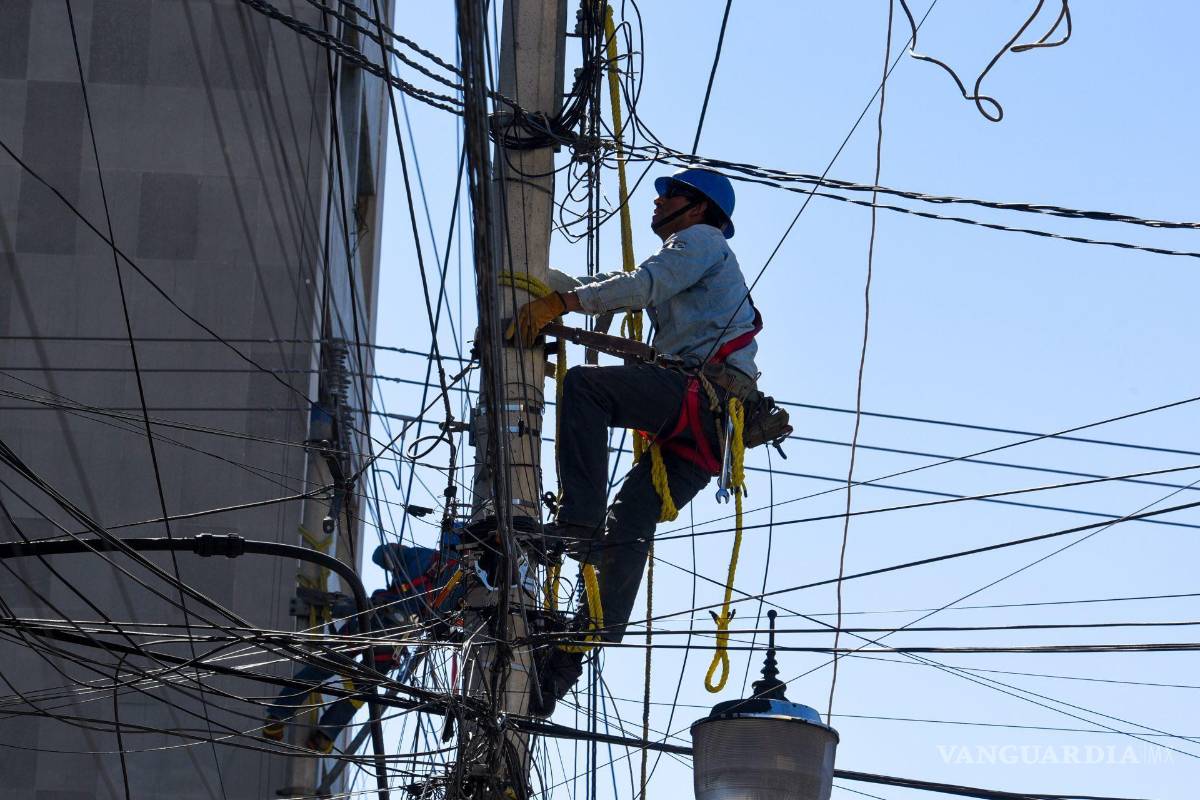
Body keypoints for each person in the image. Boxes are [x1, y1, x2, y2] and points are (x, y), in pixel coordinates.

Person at [509, 168, 761, 717]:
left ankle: (577, 520)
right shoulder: (688, 253)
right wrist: (549, 286)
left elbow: (641, 286)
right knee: (630, 522)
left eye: (670, 194)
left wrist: (562, 305)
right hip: (712, 431)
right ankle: (572, 656)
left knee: (585, 389)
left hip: (701, 398)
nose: (658, 198)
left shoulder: (701, 241)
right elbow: (626, 281)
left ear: (697, 209)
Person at [262, 537, 464, 751]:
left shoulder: (423, 556)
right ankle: (324, 735)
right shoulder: (462, 583)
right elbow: (447, 625)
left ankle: (278, 716)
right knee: (360, 689)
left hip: (372, 619)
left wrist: (394, 554)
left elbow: (379, 555)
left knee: (324, 666)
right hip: (395, 642)